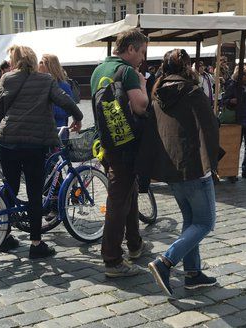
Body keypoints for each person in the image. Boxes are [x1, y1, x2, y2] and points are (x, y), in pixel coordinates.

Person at [136, 48, 220, 295]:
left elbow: (153, 133)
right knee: (205, 223)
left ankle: (193, 273)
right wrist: (212, 163)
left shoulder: (157, 94)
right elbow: (210, 127)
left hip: (171, 167)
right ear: (187, 67)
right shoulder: (193, 92)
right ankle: (166, 262)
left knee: (191, 221)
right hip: (194, 166)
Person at [0, 45, 83, 258]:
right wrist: (78, 117)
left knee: (11, 186)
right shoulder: (46, 80)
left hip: (9, 140)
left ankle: (4, 236)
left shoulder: (6, 79)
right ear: (33, 60)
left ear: (14, 60)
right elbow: (65, 101)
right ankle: (35, 244)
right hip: (34, 144)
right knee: (34, 192)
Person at [90, 29, 150, 277]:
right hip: (126, 145)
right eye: (142, 52)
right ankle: (112, 259)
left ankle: (134, 244)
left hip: (106, 143)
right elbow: (141, 105)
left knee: (128, 192)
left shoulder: (98, 70)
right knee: (118, 199)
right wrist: (144, 85)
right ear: (131, 49)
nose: (143, 59)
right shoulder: (127, 72)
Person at [38, 54, 74, 129]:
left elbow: (69, 109)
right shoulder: (37, 85)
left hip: (58, 129)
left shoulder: (63, 85)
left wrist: (48, 109)